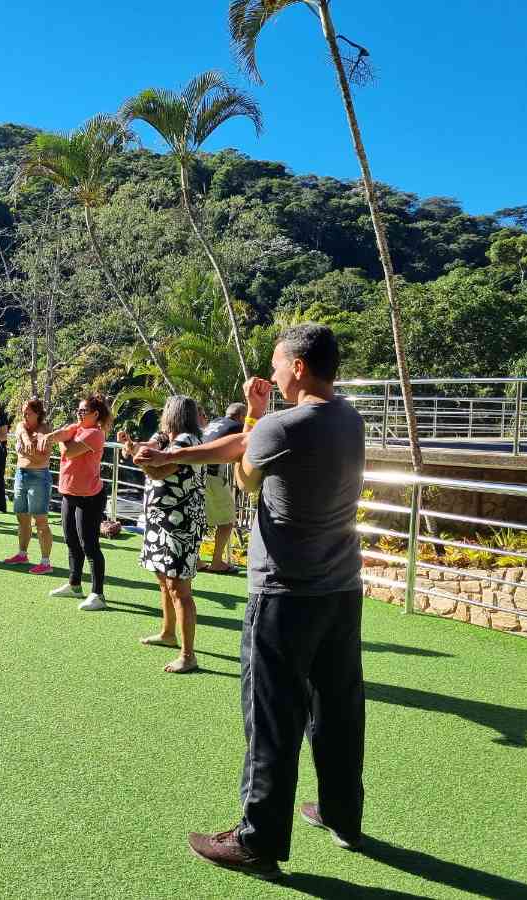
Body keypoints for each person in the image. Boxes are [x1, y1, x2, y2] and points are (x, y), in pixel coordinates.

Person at [134, 324, 365, 880]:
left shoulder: (284, 424)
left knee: (270, 719)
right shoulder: (349, 417)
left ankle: (257, 842)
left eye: (277, 364)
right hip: (341, 591)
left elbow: (244, 472)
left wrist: (172, 455)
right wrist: (257, 416)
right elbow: (248, 443)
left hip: (285, 594)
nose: (273, 373)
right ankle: (342, 814)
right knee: (337, 710)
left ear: (299, 367)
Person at [122, 396, 206, 674]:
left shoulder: (186, 441)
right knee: (164, 580)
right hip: (163, 522)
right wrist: (133, 448)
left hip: (179, 524)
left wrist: (138, 460)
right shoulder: (168, 438)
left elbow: (160, 472)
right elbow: (149, 450)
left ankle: (188, 654)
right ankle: (168, 633)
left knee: (179, 588)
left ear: (173, 414)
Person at [38, 395, 113, 611]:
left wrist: (62, 439)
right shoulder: (77, 428)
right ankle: (74, 584)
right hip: (69, 494)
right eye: (78, 410)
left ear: (95, 414)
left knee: (89, 545)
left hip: (89, 497)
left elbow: (69, 451)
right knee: (71, 541)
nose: (79, 414)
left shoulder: (95, 434)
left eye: (83, 411)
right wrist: (52, 436)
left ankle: (98, 594)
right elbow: (61, 434)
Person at [3, 398, 53, 574]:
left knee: (40, 521)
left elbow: (42, 458)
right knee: (22, 517)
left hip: (39, 477)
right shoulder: (21, 426)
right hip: (21, 475)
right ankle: (22, 554)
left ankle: (45, 563)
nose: (24, 416)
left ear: (38, 414)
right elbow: (21, 431)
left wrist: (26, 451)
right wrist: (26, 442)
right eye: (23, 412)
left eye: (28, 413)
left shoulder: (45, 430)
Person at [200, 403, 247, 574]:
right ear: (241, 416)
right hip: (212, 476)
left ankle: (196, 561)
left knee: (199, 519)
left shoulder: (214, 422)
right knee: (227, 521)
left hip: (197, 473)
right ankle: (217, 562)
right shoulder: (238, 427)